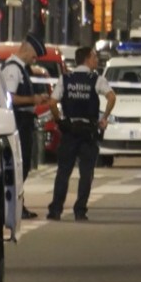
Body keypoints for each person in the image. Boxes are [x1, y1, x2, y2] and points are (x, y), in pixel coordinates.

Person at [46, 46, 116, 221]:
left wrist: (60, 121)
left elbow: (52, 102)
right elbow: (112, 97)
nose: (96, 60)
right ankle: (80, 210)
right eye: (94, 56)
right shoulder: (96, 79)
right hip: (88, 131)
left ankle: (56, 210)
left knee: (63, 172)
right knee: (86, 173)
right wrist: (104, 118)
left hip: (70, 130)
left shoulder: (66, 78)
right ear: (86, 58)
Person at [1, 33, 50, 219]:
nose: (34, 60)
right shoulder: (13, 70)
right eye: (34, 55)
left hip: (24, 122)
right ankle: (15, 207)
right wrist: (34, 99)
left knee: (24, 165)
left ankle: (18, 204)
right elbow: (10, 98)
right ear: (27, 49)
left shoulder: (21, 69)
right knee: (20, 166)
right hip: (19, 122)